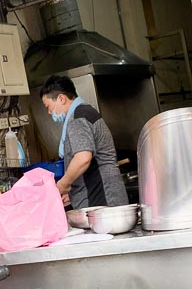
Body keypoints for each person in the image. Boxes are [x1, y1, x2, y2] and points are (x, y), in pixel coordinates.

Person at [39, 75, 127, 208]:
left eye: (48, 106)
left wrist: (62, 185)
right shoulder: (85, 112)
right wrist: (72, 193)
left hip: (101, 200)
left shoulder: (78, 118)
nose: (49, 112)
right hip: (103, 196)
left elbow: (83, 158)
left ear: (61, 99)